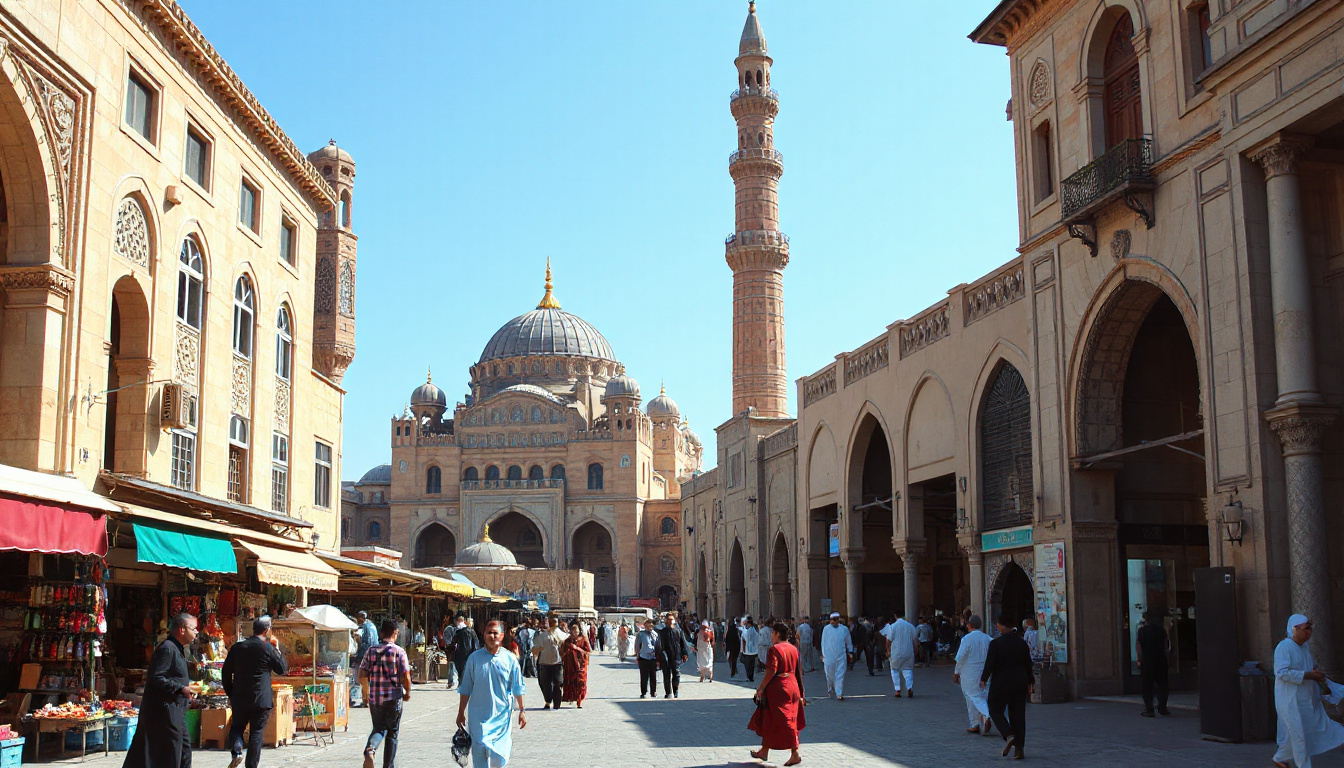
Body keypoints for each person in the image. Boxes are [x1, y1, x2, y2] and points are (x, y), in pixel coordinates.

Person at [122, 613, 199, 768]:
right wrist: (181, 688)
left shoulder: (177, 649)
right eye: (194, 629)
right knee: (170, 754)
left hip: (175, 710)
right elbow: (156, 678)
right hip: (165, 712)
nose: (196, 632)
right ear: (182, 630)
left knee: (184, 752)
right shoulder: (167, 649)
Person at [1274, 614, 1344, 768]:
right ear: (1295, 629)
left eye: (1310, 628)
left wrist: (1318, 677)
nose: (1309, 632)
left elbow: (1310, 668)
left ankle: (1280, 758)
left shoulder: (1304, 648)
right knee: (1299, 737)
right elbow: (1281, 673)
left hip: (1305, 699)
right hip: (1289, 700)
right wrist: (1309, 675)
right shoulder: (1284, 647)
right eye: (1305, 629)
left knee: (1301, 733)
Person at [456, 620, 527, 768]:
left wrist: (522, 710)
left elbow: (518, 687)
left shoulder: (510, 659)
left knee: (499, 758)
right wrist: (461, 713)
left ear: (502, 636)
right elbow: (466, 688)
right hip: (478, 718)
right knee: (479, 755)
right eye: (489, 633)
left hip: (502, 718)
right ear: (484, 635)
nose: (492, 636)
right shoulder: (474, 659)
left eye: (495, 633)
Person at [221, 616, 287, 768]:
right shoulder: (267, 648)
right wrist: (277, 649)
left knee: (237, 727)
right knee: (256, 733)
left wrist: (230, 692)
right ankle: (251, 765)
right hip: (261, 699)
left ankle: (237, 751)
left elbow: (226, 672)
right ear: (267, 630)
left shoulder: (238, 647)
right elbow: (282, 669)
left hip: (240, 697)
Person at [748, 622, 806, 767]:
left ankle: (795, 753)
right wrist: (802, 693)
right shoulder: (794, 649)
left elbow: (771, 670)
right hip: (793, 687)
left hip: (779, 690)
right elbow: (798, 672)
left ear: (777, 633)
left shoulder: (774, 649)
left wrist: (761, 688)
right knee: (772, 719)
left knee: (786, 721)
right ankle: (764, 751)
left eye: (772, 633)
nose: (771, 636)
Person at [357, 619, 412, 768]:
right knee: (392, 733)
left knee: (378, 728)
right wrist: (407, 692)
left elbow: (361, 675)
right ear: (395, 633)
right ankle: (388, 766)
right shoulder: (399, 652)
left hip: (375, 698)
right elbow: (406, 676)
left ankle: (370, 749)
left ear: (381, 633)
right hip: (393, 698)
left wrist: (366, 692)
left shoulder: (371, 650)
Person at [981, 615, 1034, 760]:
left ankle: (1008, 734)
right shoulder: (1021, 643)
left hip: (1001, 683)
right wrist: (1031, 680)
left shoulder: (996, 644)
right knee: (1018, 716)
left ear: (1000, 625)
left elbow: (990, 664)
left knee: (994, 709)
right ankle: (1019, 750)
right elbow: (1028, 663)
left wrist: (983, 678)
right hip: (1020, 682)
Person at [954, 615, 992, 735]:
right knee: (981, 694)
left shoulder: (967, 639)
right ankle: (975, 723)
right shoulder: (988, 638)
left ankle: (985, 715)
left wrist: (956, 672)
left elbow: (960, 657)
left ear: (969, 625)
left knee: (972, 695)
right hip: (984, 670)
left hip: (969, 671)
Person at [1135, 612, 1171, 717]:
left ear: (1145, 619)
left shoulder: (1142, 631)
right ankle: (1162, 707)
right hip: (1160, 659)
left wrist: (1139, 660)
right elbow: (1166, 645)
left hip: (1147, 660)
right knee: (1162, 684)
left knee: (1147, 686)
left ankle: (1149, 710)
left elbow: (1139, 646)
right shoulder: (1161, 631)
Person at [881, 609, 918, 698]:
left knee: (895, 670)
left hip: (896, 652)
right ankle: (909, 687)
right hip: (908, 651)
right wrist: (915, 651)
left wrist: (888, 651)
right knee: (908, 670)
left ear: (895, 616)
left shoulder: (892, 627)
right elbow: (916, 641)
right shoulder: (910, 626)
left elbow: (888, 641)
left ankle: (897, 690)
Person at [531, 617, 566, 710]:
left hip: (557, 663)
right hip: (544, 663)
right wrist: (538, 650)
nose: (554, 624)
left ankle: (557, 703)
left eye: (555, 622)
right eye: (552, 622)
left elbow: (566, 644)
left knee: (558, 683)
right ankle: (547, 701)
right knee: (545, 684)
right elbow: (534, 648)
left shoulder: (561, 634)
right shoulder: (543, 635)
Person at [820, 612, 855, 700]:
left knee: (840, 674)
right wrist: (823, 654)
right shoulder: (826, 629)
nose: (832, 621)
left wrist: (850, 651)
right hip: (829, 656)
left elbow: (848, 640)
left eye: (834, 619)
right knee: (829, 674)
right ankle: (831, 688)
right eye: (831, 620)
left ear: (838, 620)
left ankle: (839, 692)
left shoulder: (844, 629)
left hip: (841, 655)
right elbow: (823, 642)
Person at [560, 621, 591, 708]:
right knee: (571, 682)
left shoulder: (583, 639)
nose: (574, 633)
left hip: (581, 666)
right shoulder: (567, 641)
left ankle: (579, 700)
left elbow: (588, 652)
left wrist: (577, 649)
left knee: (581, 683)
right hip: (570, 666)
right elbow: (562, 653)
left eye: (576, 631)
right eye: (572, 631)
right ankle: (571, 698)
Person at [658, 614, 689, 698]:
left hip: (676, 656)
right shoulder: (662, 632)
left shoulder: (678, 631)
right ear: (665, 620)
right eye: (668, 619)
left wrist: (684, 653)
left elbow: (682, 644)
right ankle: (668, 692)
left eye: (671, 619)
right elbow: (659, 645)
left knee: (676, 674)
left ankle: (676, 691)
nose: (670, 621)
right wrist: (659, 656)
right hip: (665, 656)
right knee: (666, 675)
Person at [636, 618, 663, 698]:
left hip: (653, 657)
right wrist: (637, 655)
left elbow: (658, 645)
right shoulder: (641, 634)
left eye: (651, 624)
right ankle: (643, 692)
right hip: (643, 657)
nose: (650, 625)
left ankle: (653, 692)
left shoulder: (655, 634)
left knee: (653, 676)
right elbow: (637, 645)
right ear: (645, 625)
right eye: (648, 624)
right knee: (644, 676)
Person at [453, 615, 482, 683]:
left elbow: (454, 642)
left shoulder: (458, 632)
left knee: (461, 671)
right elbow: (476, 644)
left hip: (460, 655)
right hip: (469, 654)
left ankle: (461, 683)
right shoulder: (471, 631)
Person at [740, 617, 762, 683]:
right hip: (752, 651)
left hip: (749, 651)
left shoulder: (750, 631)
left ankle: (749, 676)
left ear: (749, 624)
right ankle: (750, 676)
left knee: (748, 665)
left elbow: (745, 638)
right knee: (751, 665)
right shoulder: (753, 630)